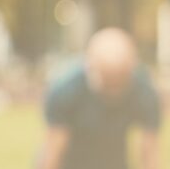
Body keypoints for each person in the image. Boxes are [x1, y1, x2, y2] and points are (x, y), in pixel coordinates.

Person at [39, 28, 162, 169]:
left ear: (131, 68)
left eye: (119, 80)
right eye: (108, 82)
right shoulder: (66, 90)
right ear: (90, 68)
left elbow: (149, 152)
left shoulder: (144, 91)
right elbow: (53, 151)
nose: (114, 91)